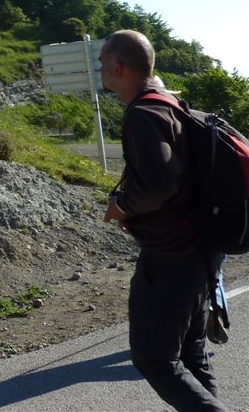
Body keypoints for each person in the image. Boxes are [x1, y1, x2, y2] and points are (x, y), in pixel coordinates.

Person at [100, 30, 228, 411]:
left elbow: (159, 184)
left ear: (118, 67)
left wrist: (122, 206)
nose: (99, 69)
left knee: (154, 358)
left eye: (102, 63)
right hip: (200, 250)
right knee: (190, 355)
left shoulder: (143, 113)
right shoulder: (169, 102)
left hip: (171, 256)